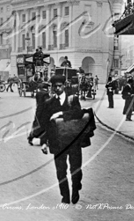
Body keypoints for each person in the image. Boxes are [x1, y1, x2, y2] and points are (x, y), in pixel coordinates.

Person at [41, 75, 84, 205]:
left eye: (60, 86)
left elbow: (79, 113)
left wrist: (61, 114)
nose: (58, 88)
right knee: (61, 171)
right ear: (52, 88)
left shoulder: (73, 99)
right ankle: (65, 195)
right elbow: (45, 124)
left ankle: (76, 189)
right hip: (57, 142)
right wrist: (44, 142)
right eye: (55, 86)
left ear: (64, 86)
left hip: (73, 141)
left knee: (75, 169)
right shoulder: (49, 103)